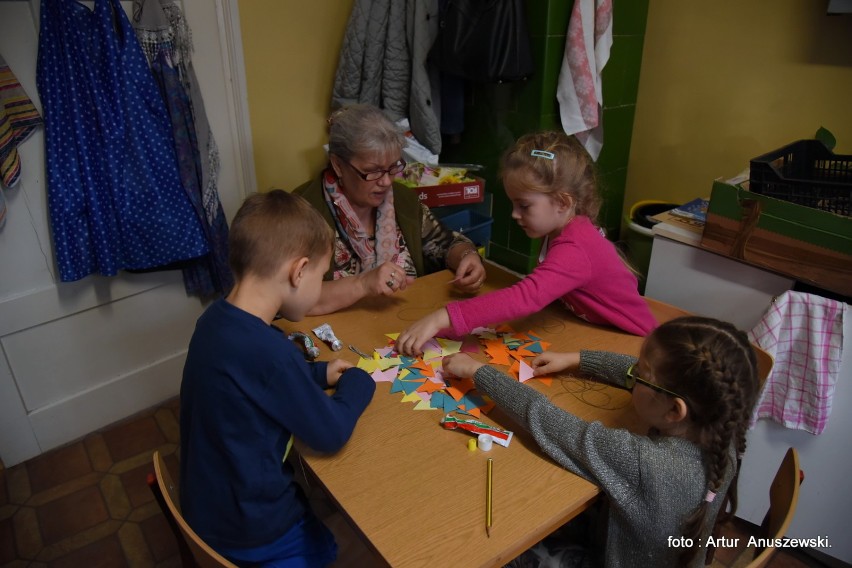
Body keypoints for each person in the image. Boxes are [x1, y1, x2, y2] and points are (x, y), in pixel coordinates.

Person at [442, 316, 761, 568]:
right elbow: (634, 371)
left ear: (675, 411)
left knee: (498, 551)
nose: (633, 374)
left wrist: (479, 372)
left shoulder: (644, 463)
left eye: (642, 374)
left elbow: (549, 421)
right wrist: (577, 359)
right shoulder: (722, 426)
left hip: (610, 558)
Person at [179, 190, 376, 566]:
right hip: (256, 532)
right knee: (361, 548)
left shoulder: (214, 322)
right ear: (298, 272)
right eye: (321, 275)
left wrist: (318, 373)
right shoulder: (272, 352)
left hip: (210, 511)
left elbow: (254, 381)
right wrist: (357, 383)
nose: (319, 285)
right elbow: (330, 433)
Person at [395, 130, 657, 356]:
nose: (514, 214)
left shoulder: (576, 247)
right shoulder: (563, 226)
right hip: (595, 330)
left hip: (635, 343)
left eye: (524, 205)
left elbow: (526, 297)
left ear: (563, 203)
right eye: (513, 203)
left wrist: (444, 317)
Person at [293, 103, 487, 315]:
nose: (386, 182)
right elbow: (290, 298)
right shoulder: (299, 213)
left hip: (399, 323)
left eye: (393, 167)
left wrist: (467, 256)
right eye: (372, 171)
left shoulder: (402, 199)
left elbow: (445, 243)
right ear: (338, 165)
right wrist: (362, 284)